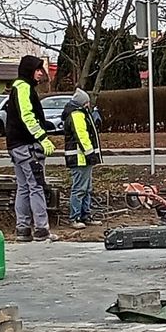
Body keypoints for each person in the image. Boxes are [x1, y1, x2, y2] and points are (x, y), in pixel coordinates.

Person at [5, 55, 56, 242]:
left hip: (15, 146)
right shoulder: (24, 88)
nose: (40, 73)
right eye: (37, 70)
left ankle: (23, 229)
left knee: (23, 187)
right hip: (27, 146)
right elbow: (27, 116)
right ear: (29, 70)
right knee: (36, 186)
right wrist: (43, 138)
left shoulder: (17, 87)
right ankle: (42, 229)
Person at [62, 88, 102, 229]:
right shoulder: (77, 114)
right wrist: (90, 153)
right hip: (80, 158)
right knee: (80, 189)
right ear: (83, 103)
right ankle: (75, 217)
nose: (89, 105)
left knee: (86, 188)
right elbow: (82, 135)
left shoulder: (78, 113)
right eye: (87, 103)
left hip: (82, 158)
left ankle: (85, 215)